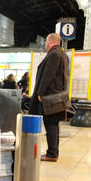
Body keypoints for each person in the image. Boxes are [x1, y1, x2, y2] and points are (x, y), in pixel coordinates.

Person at [29, 33, 68, 162]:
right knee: (54, 125)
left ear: (50, 41)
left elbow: (48, 75)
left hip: (49, 97)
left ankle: (51, 154)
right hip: (57, 96)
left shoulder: (54, 54)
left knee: (50, 124)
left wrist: (40, 92)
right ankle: (53, 152)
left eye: (46, 41)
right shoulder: (63, 54)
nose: (45, 44)